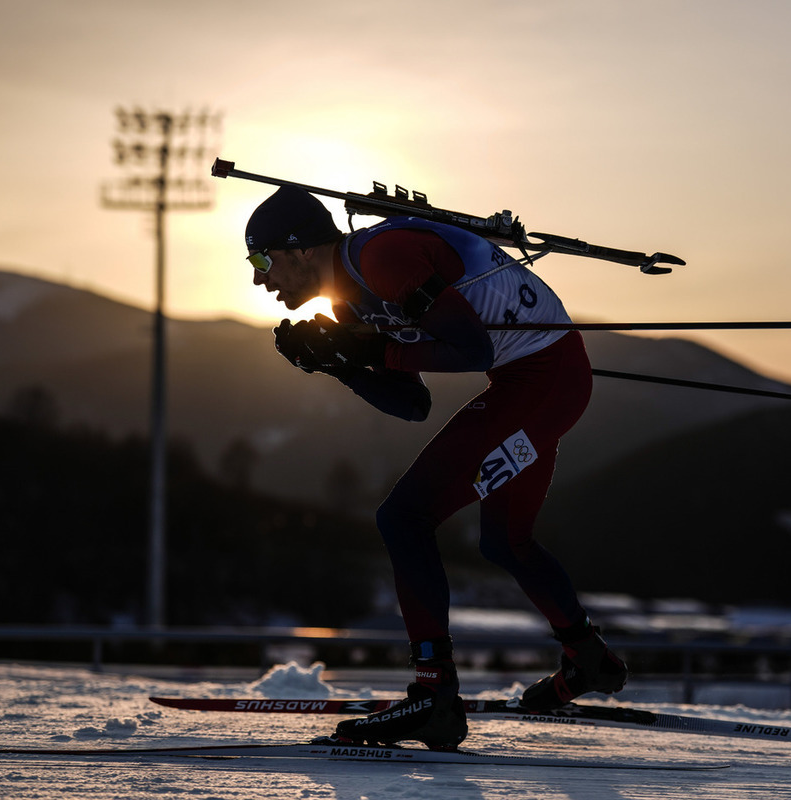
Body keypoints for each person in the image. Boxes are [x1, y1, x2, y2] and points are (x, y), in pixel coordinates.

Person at [243, 185, 627, 750]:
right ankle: (588, 657)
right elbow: (412, 404)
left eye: (261, 260)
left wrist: (367, 352)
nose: (258, 279)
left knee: (404, 519)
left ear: (299, 249)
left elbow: (473, 350)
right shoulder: (350, 297)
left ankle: (434, 696)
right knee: (504, 541)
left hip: (542, 381)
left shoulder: (382, 258)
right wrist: (337, 363)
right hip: (541, 381)